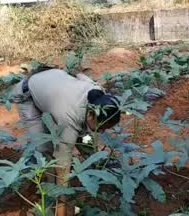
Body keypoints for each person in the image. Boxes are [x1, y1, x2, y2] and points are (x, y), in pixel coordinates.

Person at [10, 67, 121, 216]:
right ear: (90, 115)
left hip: (53, 82)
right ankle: (51, 193)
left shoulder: (97, 92)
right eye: (101, 127)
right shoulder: (68, 117)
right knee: (45, 149)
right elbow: (63, 161)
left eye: (107, 127)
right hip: (27, 96)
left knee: (87, 140)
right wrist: (62, 202)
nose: (102, 132)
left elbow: (80, 75)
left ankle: (97, 169)